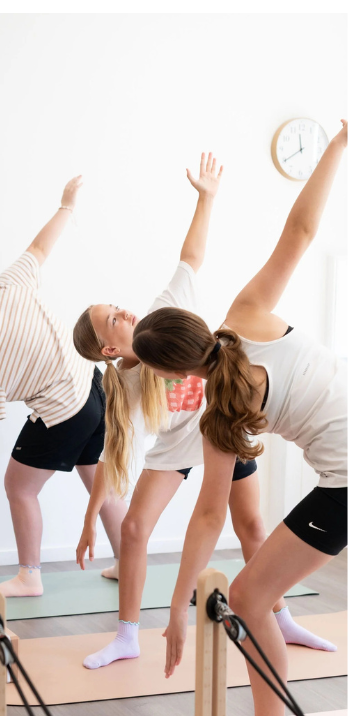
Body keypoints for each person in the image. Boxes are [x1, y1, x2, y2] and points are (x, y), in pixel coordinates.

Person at [131, 121, 348, 716]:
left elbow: (206, 518)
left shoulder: (218, 414)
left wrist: (174, 610)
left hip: (348, 480)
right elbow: (301, 234)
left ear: (174, 375)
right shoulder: (247, 311)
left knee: (250, 598)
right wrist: (338, 145)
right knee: (259, 586)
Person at [73, 155, 334, 671]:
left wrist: (206, 197)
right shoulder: (123, 386)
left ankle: (281, 619)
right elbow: (114, 455)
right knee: (132, 530)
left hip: (224, 430)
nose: (124, 311)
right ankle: (127, 634)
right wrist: (88, 520)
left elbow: (190, 256)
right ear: (107, 349)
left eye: (116, 305)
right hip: (180, 449)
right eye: (112, 318)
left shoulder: (163, 318)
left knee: (253, 527)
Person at [0, 177, 127, 597]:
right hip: (93, 389)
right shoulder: (8, 286)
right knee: (97, 482)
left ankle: (29, 576)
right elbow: (41, 247)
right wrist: (67, 205)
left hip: (65, 411)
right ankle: (130, 563)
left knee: (18, 487)